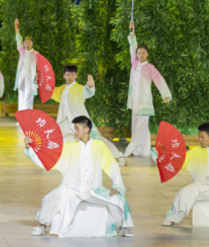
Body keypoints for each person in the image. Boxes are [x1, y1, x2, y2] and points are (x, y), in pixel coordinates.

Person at [26, 116, 134, 238]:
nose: (75, 132)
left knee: (119, 199)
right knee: (48, 198)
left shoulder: (99, 146)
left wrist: (117, 186)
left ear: (87, 129)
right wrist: (31, 149)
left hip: (94, 190)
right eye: (75, 129)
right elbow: (51, 160)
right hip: (71, 189)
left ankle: (124, 228)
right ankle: (42, 226)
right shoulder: (70, 147)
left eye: (77, 129)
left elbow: (112, 165)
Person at [51, 65, 126, 165]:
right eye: (67, 74)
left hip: (81, 123)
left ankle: (119, 156)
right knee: (54, 137)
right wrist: (37, 82)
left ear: (76, 76)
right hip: (64, 122)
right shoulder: (61, 89)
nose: (70, 77)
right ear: (64, 75)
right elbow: (48, 91)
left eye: (72, 74)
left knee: (98, 139)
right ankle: (52, 159)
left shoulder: (79, 88)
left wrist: (90, 86)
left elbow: (88, 92)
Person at [123, 22, 171, 158]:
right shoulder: (134, 63)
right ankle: (141, 151)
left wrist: (165, 95)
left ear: (147, 54)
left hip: (144, 102)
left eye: (143, 53)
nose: (140, 54)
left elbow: (159, 80)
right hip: (134, 100)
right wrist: (132, 31)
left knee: (141, 126)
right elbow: (132, 45)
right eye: (139, 52)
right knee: (138, 126)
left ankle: (131, 147)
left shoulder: (150, 67)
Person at [153, 122, 209, 226]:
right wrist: (161, 157)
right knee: (186, 192)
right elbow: (178, 161)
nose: (200, 140)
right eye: (199, 137)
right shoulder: (196, 152)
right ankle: (171, 217)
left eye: (203, 137)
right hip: (202, 187)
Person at [14, 18, 38, 115]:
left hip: (31, 78)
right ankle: (21, 117)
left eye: (29, 42)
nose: (27, 44)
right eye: (25, 42)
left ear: (32, 43)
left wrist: (38, 76)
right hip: (22, 78)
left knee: (29, 97)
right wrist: (16, 26)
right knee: (21, 96)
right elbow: (18, 37)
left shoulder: (36, 54)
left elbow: (41, 67)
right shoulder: (22, 51)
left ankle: (28, 117)